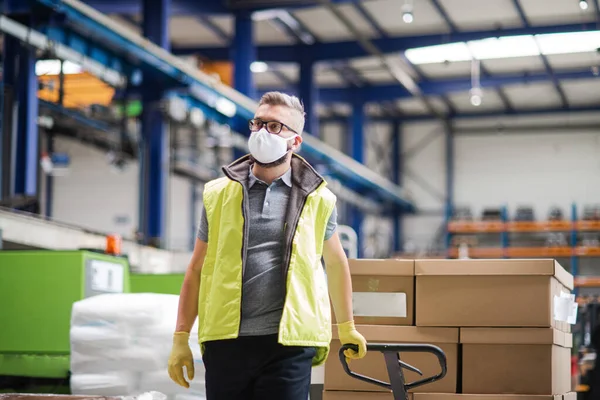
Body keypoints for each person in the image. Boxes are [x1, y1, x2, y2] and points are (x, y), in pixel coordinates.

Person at [167, 91, 367, 400]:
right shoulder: (218, 194)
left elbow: (336, 262)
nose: (262, 132)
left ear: (295, 141)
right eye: (258, 123)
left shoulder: (318, 198)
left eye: (274, 127)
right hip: (227, 339)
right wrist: (181, 335)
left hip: (288, 343)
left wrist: (348, 325)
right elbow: (197, 267)